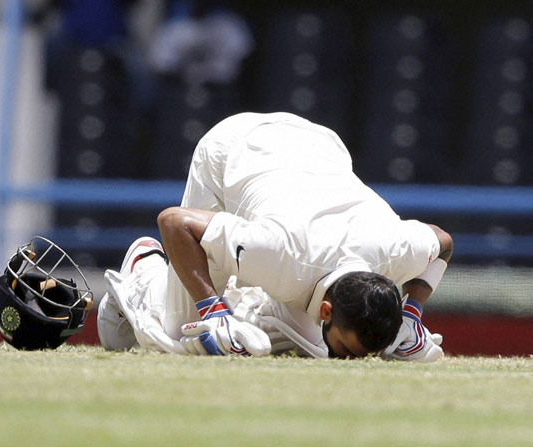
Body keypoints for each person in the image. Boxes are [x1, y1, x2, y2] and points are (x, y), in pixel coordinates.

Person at [97, 112, 453, 360]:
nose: (350, 364)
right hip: (235, 146)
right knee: (180, 331)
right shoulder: (280, 254)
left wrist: (412, 316)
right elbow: (174, 222)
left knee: (306, 344)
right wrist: (213, 310)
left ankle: (242, 297)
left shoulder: (397, 251)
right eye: (346, 351)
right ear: (326, 310)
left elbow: (442, 242)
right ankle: (144, 269)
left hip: (319, 144)